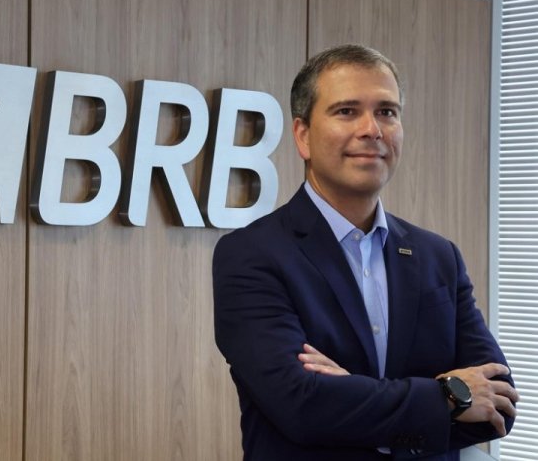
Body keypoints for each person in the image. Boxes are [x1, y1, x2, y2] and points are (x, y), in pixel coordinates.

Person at [212, 44, 519, 460]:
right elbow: (302, 407)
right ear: (303, 135)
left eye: (387, 112)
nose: (372, 129)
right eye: (347, 111)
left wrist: (352, 397)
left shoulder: (438, 257)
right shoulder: (251, 255)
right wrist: (448, 396)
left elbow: (498, 403)